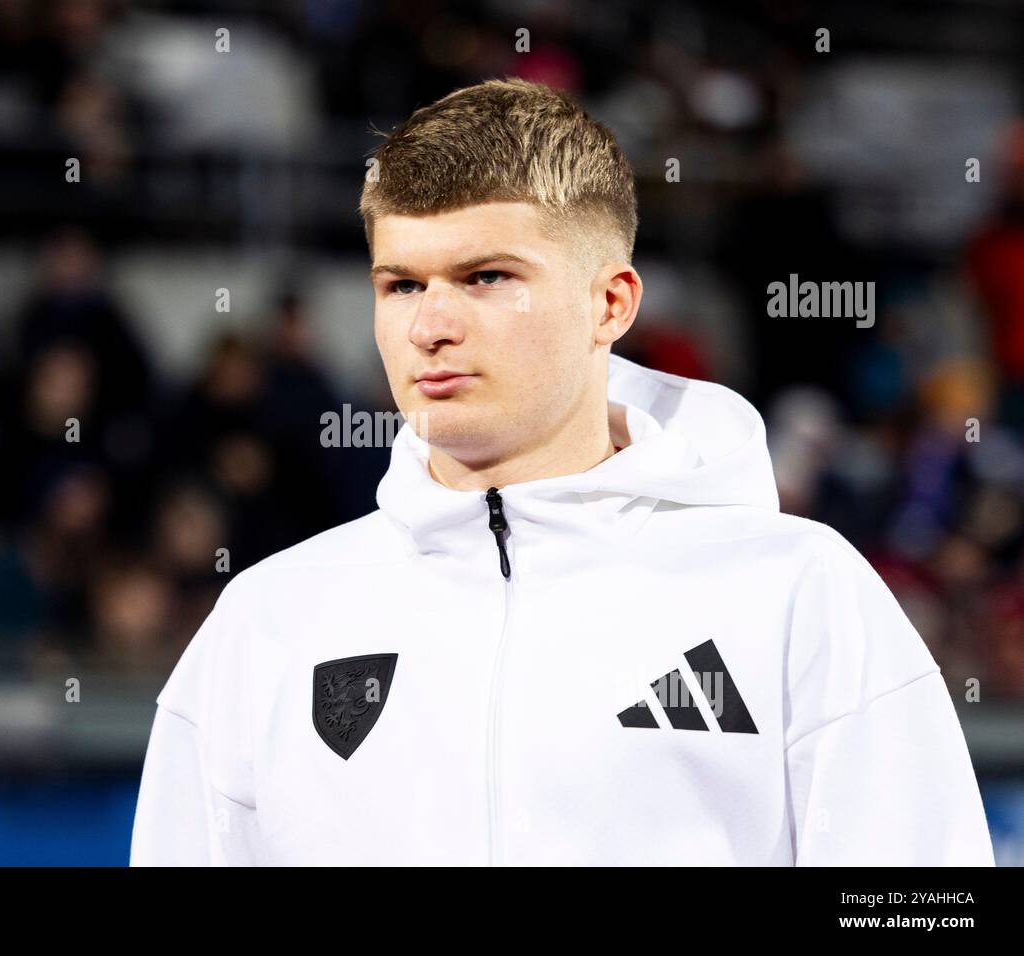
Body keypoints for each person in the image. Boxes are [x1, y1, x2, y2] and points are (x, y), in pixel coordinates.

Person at [130, 78, 996, 866]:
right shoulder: (269, 620)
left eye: (486, 276)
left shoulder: (798, 592)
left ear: (609, 303)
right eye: (400, 285)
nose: (430, 325)